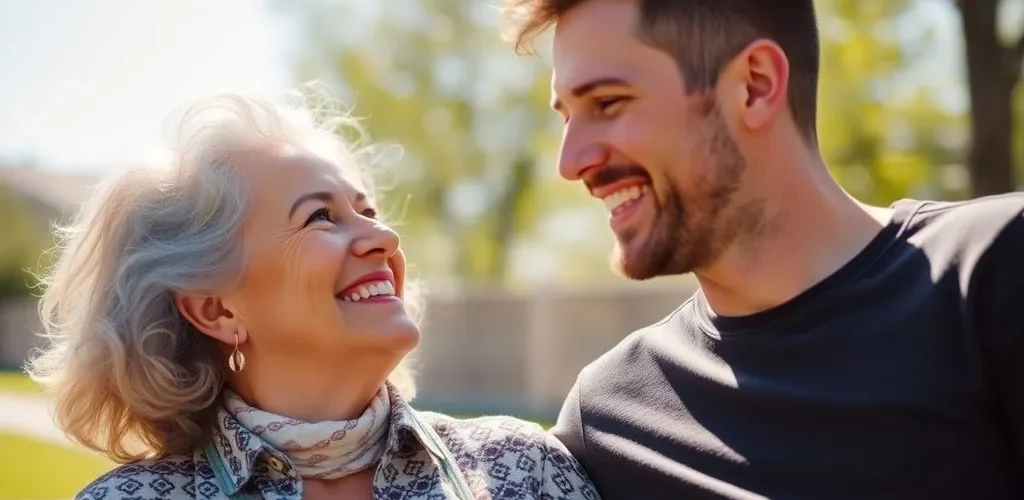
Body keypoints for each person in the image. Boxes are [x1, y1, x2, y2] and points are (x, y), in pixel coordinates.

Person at [499, 0, 1024, 498]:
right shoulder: (610, 419)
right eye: (567, 116)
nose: (571, 163)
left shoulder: (996, 268)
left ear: (754, 85)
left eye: (608, 103)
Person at [27, 91, 600, 500]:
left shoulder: (524, 470)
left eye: (368, 210)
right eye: (321, 217)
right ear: (216, 308)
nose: (384, 236)